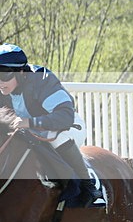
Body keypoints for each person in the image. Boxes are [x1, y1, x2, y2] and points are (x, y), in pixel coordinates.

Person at [0, 43, 103, 207]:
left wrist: (30, 122)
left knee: (55, 137)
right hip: (30, 131)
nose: (0, 82)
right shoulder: (3, 88)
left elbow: (65, 116)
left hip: (66, 127)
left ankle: (89, 186)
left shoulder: (41, 80)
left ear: (21, 72)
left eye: (5, 75)